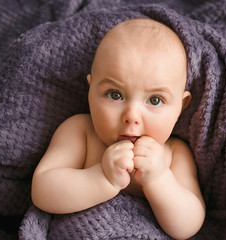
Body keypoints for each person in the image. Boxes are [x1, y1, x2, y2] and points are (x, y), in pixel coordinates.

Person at [31, 18, 205, 239]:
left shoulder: (174, 154)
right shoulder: (80, 132)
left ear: (181, 106)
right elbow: (42, 190)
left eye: (154, 100)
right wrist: (102, 178)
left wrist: (159, 179)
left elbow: (188, 225)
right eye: (115, 95)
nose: (131, 116)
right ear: (90, 90)